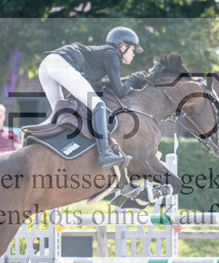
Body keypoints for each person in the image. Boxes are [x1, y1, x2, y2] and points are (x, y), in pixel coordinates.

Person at [37, 26, 147, 168]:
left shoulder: (103, 55)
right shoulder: (112, 54)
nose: (134, 54)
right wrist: (133, 79)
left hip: (47, 64)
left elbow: (107, 85)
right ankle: (105, 153)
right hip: (60, 63)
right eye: (132, 49)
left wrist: (131, 80)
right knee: (98, 105)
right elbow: (119, 91)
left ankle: (33, 141)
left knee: (59, 115)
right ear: (122, 46)